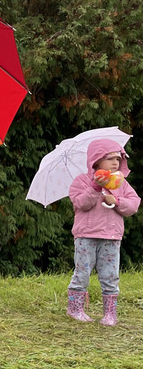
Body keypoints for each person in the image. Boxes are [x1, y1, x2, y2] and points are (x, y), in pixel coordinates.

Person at [66, 138, 139, 326]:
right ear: (96, 160)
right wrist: (96, 187)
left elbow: (134, 205)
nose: (116, 162)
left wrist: (117, 201)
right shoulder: (82, 181)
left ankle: (110, 314)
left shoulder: (121, 184)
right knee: (82, 272)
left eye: (118, 159)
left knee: (110, 275)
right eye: (110, 158)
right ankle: (75, 308)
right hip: (86, 236)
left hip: (111, 237)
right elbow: (81, 203)